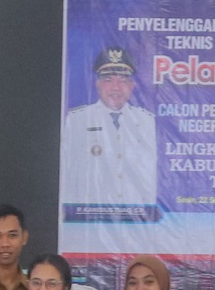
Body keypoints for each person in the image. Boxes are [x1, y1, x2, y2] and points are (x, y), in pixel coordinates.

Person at [61, 46, 158, 208]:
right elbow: (66, 173)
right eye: (108, 80)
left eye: (123, 80)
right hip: (90, 214)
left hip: (135, 215)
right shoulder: (78, 120)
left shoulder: (147, 121)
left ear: (132, 85)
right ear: (97, 84)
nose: (115, 87)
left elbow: (153, 176)